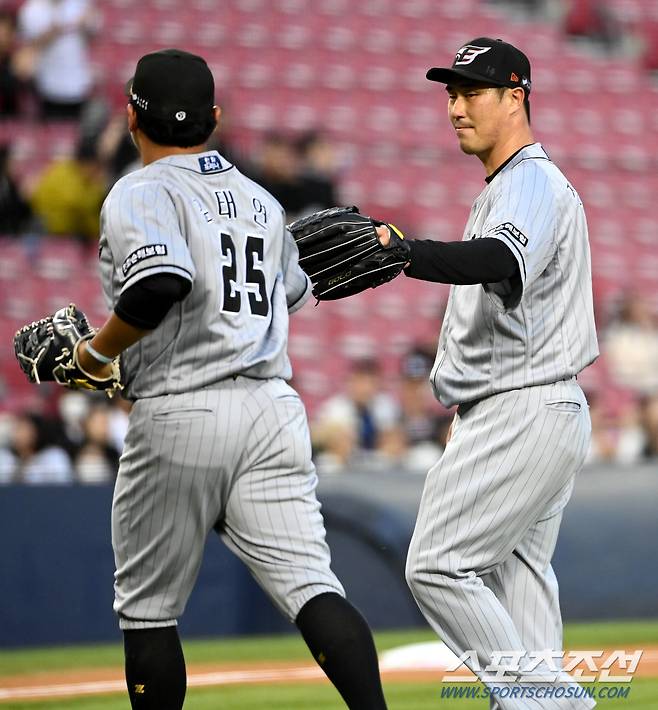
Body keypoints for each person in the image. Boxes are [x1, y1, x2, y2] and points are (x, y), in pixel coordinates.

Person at [73, 49, 387, 710]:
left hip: (184, 405)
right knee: (313, 588)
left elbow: (161, 282)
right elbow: (299, 290)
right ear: (214, 118)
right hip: (273, 407)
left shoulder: (139, 188)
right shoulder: (260, 200)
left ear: (131, 116)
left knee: (149, 611)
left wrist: (96, 356)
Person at [376, 38, 599, 706]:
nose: (455, 106)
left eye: (472, 91)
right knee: (519, 583)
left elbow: (498, 259)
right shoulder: (514, 185)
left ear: (515, 96)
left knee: (438, 565)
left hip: (521, 405)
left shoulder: (529, 180)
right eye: (450, 92)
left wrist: (409, 253)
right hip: (537, 406)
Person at [17, 0, 97, 120]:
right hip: (47, 85)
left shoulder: (80, 4)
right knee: (51, 131)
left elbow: (93, 32)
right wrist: (56, 30)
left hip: (78, 83)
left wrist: (86, 23)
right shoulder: (32, 9)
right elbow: (29, 47)